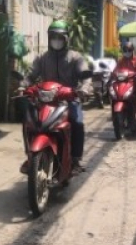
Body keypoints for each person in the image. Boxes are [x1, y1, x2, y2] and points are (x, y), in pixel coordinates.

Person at [20, 20, 92, 175]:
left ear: (67, 38)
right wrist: (22, 86)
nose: (56, 40)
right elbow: (31, 75)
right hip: (45, 99)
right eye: (53, 36)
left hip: (69, 99)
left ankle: (75, 159)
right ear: (49, 38)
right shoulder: (43, 58)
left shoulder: (75, 57)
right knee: (29, 122)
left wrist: (84, 89)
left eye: (60, 37)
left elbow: (85, 76)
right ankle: (30, 156)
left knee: (77, 122)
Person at [116, 42, 136, 122]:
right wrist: (112, 75)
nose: (127, 52)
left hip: (134, 81)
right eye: (125, 50)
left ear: (132, 50)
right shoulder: (121, 60)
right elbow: (116, 70)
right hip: (123, 82)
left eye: (129, 50)